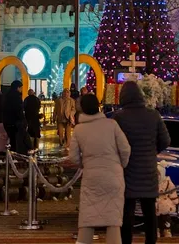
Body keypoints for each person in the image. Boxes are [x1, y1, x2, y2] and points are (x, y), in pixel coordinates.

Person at [69, 93, 131, 244]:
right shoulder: (111, 125)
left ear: (82, 108)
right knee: (113, 219)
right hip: (113, 176)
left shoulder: (79, 129)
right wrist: (120, 165)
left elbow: (73, 156)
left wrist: (85, 164)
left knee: (88, 218)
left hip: (91, 177)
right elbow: (125, 149)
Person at [114, 81, 170, 244]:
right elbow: (166, 140)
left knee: (127, 212)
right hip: (148, 170)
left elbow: (113, 143)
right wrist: (152, 151)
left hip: (127, 170)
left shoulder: (119, 117)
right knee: (150, 212)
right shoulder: (153, 115)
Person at [2, 80, 28, 154]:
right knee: (17, 141)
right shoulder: (17, 97)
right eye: (21, 88)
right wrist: (24, 121)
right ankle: (15, 155)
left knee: (12, 140)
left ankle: (12, 154)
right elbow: (19, 110)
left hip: (7, 121)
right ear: (17, 87)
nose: (21, 89)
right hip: (15, 122)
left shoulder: (6, 96)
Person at [156, 165, 179, 238]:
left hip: (165, 202)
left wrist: (175, 201)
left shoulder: (167, 182)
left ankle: (167, 230)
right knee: (154, 218)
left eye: (158, 174)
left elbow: (172, 192)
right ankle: (156, 230)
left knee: (166, 218)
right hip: (155, 202)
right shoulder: (151, 181)